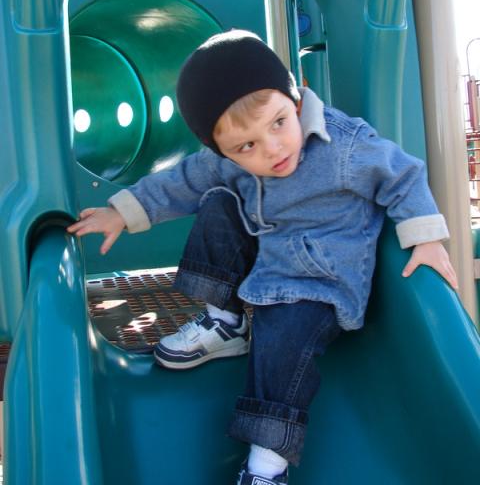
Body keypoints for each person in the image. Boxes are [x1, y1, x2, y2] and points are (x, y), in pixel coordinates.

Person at [68, 29, 458, 485]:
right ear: (221, 149)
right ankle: (225, 323)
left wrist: (426, 239)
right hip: (267, 260)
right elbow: (184, 180)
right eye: (246, 146)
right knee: (216, 200)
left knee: (279, 342)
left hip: (319, 284)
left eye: (278, 123)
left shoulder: (346, 146)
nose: (272, 148)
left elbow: (403, 176)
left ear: (296, 100)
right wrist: (122, 211)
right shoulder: (224, 161)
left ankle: (266, 467)